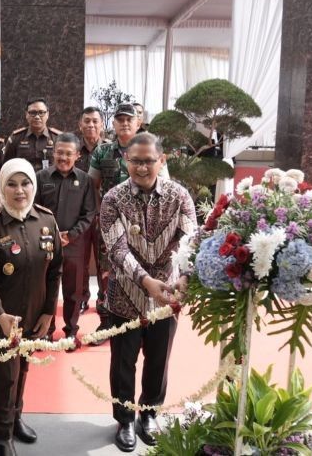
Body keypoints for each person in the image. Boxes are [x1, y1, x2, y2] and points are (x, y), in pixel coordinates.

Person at [100, 133, 196, 452]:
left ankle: (149, 414)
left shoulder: (179, 195)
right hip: (125, 295)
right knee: (122, 362)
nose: (142, 168)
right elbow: (116, 247)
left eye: (149, 161)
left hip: (167, 296)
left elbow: (190, 240)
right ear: (125, 160)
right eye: (135, 161)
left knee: (158, 360)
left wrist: (183, 277)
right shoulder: (113, 198)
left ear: (162, 160)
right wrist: (144, 281)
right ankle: (125, 419)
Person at [0, 158, 62, 456]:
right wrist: (0, 316)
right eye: (11, 184)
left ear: (33, 186)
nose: (19, 190)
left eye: (25, 183)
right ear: (2, 187)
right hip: (0, 318)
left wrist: (49, 311)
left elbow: (55, 271)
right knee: (6, 375)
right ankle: (3, 432)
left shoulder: (47, 220)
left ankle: (16, 417)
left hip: (34, 315)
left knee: (23, 368)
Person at [88, 104, 169, 345]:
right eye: (119, 119)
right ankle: (107, 321)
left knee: (147, 268)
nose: (124, 123)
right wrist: (97, 214)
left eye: (129, 119)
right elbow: (92, 184)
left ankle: (148, 319)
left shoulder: (151, 149)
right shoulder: (102, 152)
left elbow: (165, 186)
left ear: (138, 123)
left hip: (148, 226)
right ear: (113, 124)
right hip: (112, 221)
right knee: (109, 270)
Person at [34, 133, 96, 341]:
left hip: (73, 245)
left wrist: (71, 234)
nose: (63, 157)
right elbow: (33, 210)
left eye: (69, 153)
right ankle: (46, 331)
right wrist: (48, 234)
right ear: (53, 152)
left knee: (73, 291)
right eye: (60, 152)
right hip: (45, 244)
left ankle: (71, 331)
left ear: (77, 155)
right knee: (45, 289)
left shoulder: (85, 180)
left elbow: (89, 213)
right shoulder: (41, 177)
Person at [75, 107, 108, 314]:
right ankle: (81, 298)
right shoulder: (73, 149)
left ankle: (104, 298)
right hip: (78, 214)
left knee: (104, 259)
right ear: (80, 125)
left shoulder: (109, 150)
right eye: (87, 121)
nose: (91, 125)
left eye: (95, 121)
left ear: (102, 125)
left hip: (103, 214)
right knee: (80, 260)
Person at [2, 98, 61, 172]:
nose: (37, 117)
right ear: (26, 114)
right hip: (24, 180)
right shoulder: (16, 138)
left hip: (49, 181)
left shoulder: (58, 138)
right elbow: (7, 165)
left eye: (41, 112)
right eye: (33, 113)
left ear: (47, 114)